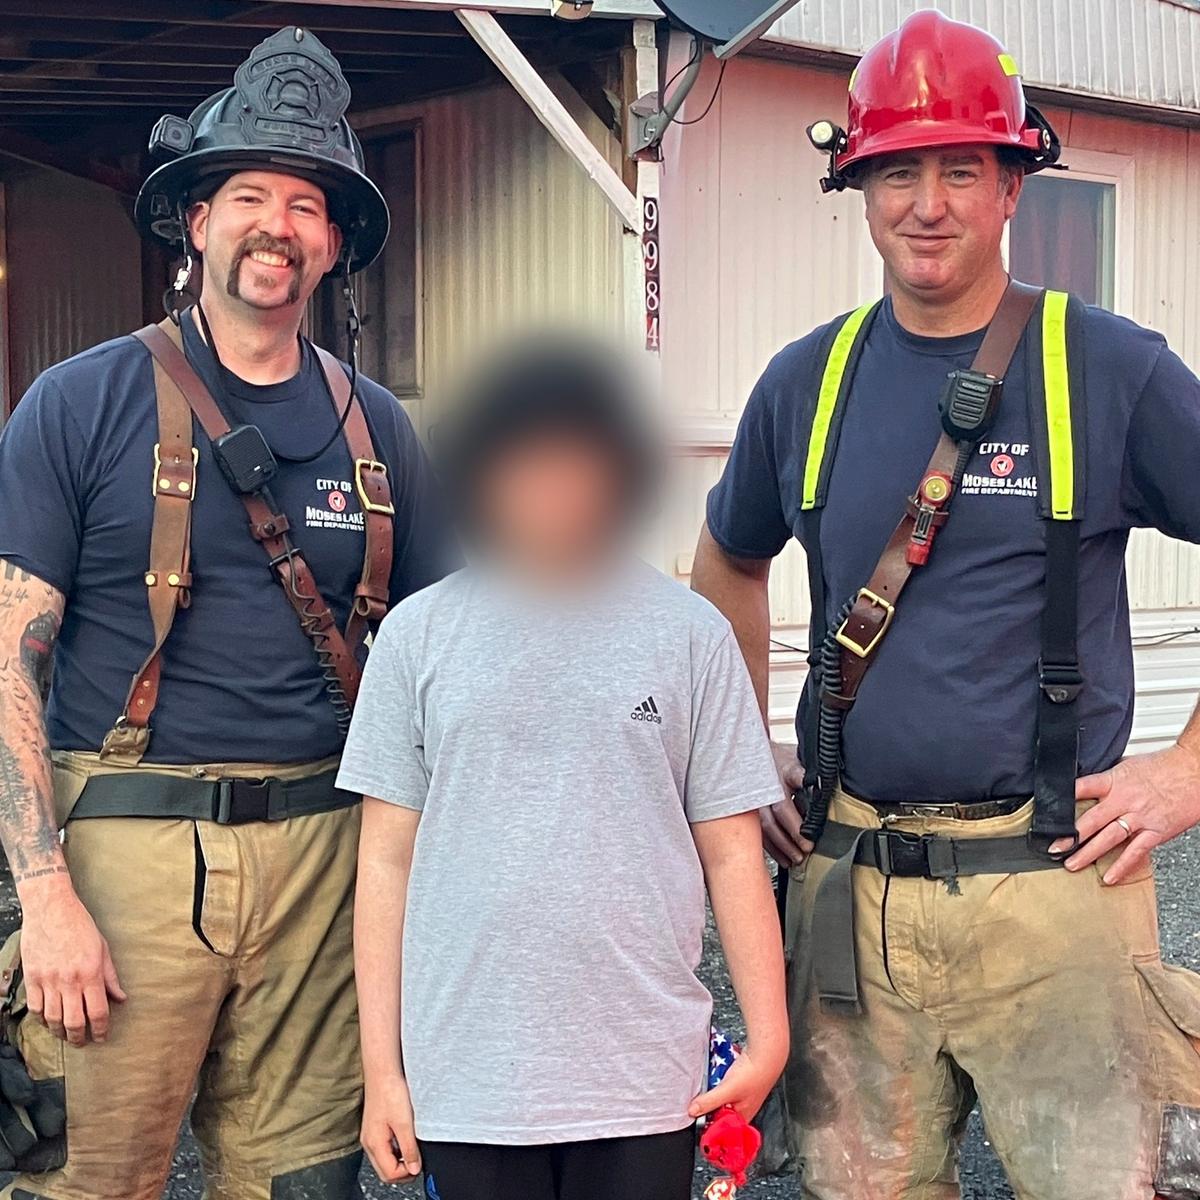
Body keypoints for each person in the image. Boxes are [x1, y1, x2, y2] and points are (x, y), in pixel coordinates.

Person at [691, 11, 1200, 1200]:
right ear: (858, 185)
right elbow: (726, 562)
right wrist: (741, 749)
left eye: (961, 169)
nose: (928, 203)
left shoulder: (1113, 368)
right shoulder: (806, 382)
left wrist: (1187, 773)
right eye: (898, 170)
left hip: (1057, 895)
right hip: (848, 890)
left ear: (1014, 184)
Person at [0, 27, 451, 1200]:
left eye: (307, 203)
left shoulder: (384, 432)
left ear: (335, 242)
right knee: (85, 1182)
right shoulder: (79, 404)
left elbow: (449, 665)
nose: (277, 224)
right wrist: (44, 900)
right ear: (194, 221)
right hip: (127, 860)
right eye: (247, 192)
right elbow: (7, 653)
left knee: (304, 1186)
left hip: (325, 859)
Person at [338, 339, 790, 1200]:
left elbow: (733, 852)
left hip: (644, 1079)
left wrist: (767, 1037)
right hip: (468, 1077)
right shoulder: (417, 636)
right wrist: (382, 1072)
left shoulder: (690, 635)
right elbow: (385, 861)